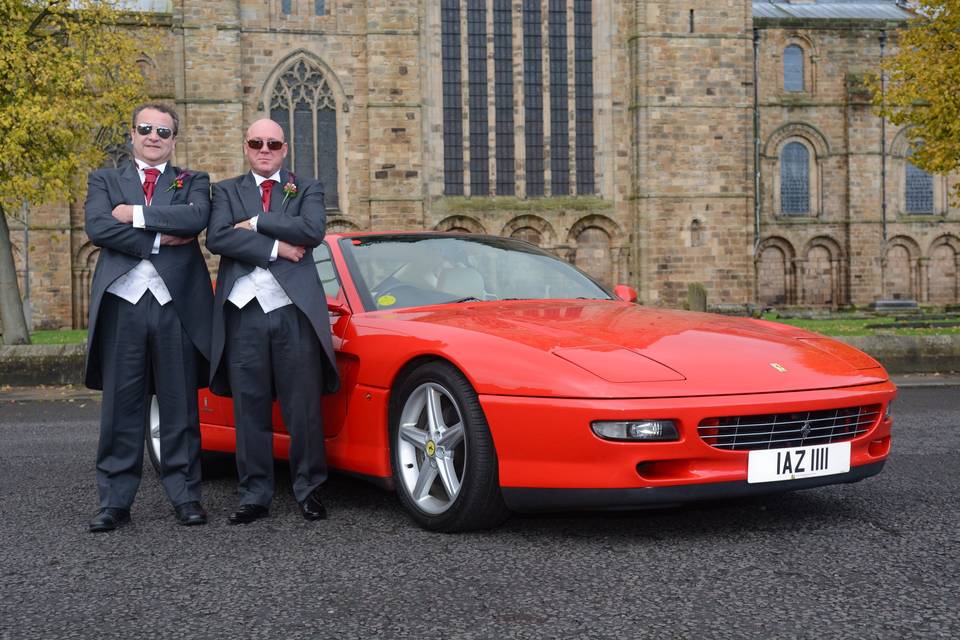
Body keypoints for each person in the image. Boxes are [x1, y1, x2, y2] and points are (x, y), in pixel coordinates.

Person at [83, 103, 213, 532]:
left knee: (179, 405)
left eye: (163, 131)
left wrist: (135, 215)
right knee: (122, 406)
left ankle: (185, 495)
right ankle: (115, 503)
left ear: (173, 139)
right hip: (124, 303)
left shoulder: (193, 180)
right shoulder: (105, 179)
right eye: (145, 129)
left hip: (176, 304)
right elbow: (99, 229)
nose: (153, 136)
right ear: (133, 134)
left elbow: (194, 219)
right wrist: (160, 238)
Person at [205, 118, 340, 524]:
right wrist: (279, 246)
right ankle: (254, 495)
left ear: (284, 148)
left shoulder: (308, 187)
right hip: (244, 314)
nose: (264, 149)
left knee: (303, 408)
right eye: (256, 142)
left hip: (293, 311)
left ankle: (310, 490)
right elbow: (218, 238)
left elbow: (313, 229)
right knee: (251, 408)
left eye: (273, 143)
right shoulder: (226, 190)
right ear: (246, 147)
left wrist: (257, 222)